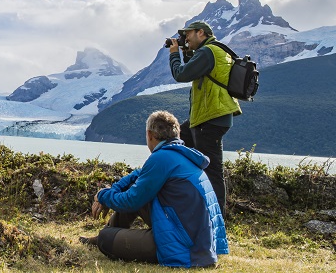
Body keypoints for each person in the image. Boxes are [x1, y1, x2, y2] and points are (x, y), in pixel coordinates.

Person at [80, 110, 228, 267]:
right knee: (135, 188)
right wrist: (112, 190)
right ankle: (111, 230)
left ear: (149, 135)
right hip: (198, 240)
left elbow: (130, 201)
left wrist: (102, 195)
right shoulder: (180, 155)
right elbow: (139, 175)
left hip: (185, 246)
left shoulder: (161, 158)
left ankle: (104, 236)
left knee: (105, 239)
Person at [168, 21, 241, 216]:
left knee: (213, 170)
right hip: (208, 118)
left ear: (201, 32)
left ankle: (217, 218)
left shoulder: (207, 52)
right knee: (175, 142)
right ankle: (186, 203)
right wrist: (186, 50)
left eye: (188, 34)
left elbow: (181, 74)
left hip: (210, 119)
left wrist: (174, 53)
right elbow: (197, 68)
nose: (186, 38)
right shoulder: (216, 50)